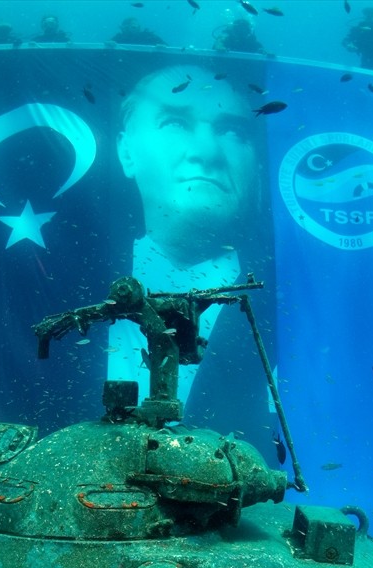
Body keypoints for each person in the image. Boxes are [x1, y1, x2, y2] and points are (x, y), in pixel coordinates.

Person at [110, 66, 276, 458]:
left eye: (232, 131)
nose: (207, 153)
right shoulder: (46, 298)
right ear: (126, 151)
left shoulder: (304, 317)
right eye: (174, 122)